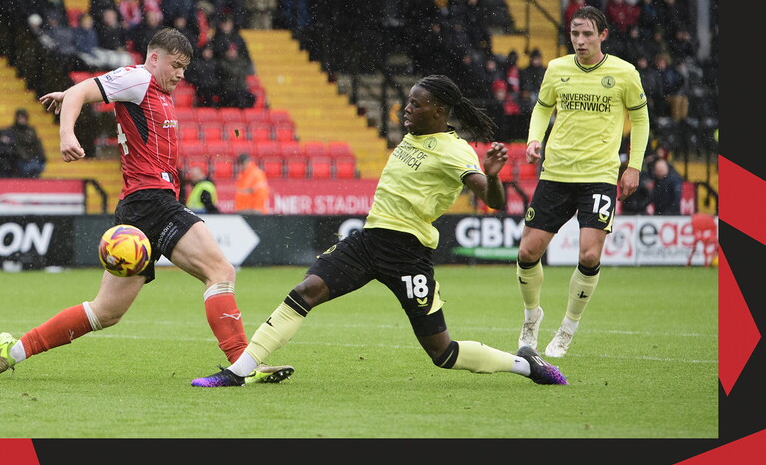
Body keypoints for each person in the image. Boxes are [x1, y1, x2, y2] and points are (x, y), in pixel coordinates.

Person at [192, 74, 568, 387]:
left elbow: (495, 201)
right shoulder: (413, 136)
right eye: (408, 102)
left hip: (408, 254)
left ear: (438, 112)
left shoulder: (455, 151)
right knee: (305, 291)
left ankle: (525, 365)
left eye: (415, 104)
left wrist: (490, 175)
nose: (406, 109)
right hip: (369, 240)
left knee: (443, 352)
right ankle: (238, 371)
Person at [0, 27, 293, 385]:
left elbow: (87, 93)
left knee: (105, 312)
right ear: (154, 58)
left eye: (185, 68)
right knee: (220, 271)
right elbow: (84, 89)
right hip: (151, 202)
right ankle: (241, 365)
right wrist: (67, 132)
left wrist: (75, 96)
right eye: (175, 65)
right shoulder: (139, 77)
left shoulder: (150, 87)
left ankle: (12, 351)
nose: (180, 74)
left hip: (139, 208)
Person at [514, 5, 650, 359]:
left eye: (587, 33)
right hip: (556, 172)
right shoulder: (557, 69)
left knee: (589, 254)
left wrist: (633, 165)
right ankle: (531, 319)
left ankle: (567, 329)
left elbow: (640, 120)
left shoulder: (624, 73)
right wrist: (534, 139)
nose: (580, 40)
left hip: (599, 176)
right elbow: (543, 107)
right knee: (528, 251)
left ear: (603, 34)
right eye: (575, 33)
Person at [7, 108, 46, 178]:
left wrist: (42, 157)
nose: (22, 120)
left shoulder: (31, 130)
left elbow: (37, 144)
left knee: (35, 170)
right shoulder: (12, 131)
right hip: (21, 160)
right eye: (20, 118)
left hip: (32, 158)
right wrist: (24, 157)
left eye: (23, 117)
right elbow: (16, 146)